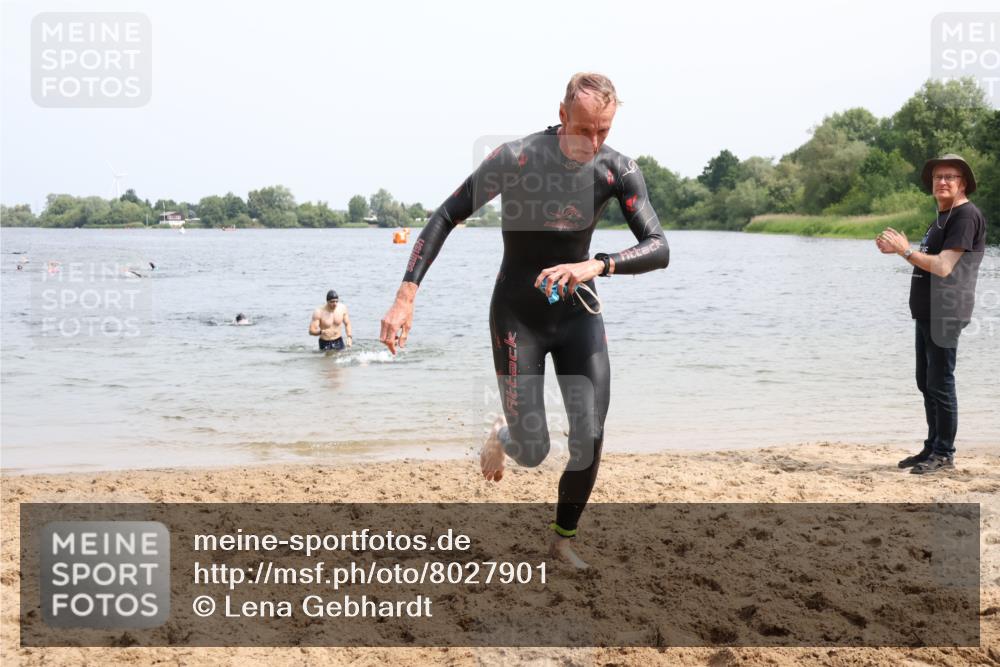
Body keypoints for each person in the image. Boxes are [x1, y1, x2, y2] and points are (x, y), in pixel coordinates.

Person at [379, 73, 669, 568]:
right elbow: (447, 214)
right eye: (583, 129)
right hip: (518, 316)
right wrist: (406, 295)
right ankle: (505, 434)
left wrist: (596, 264)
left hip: (578, 315)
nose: (593, 142)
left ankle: (561, 540)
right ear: (561, 114)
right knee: (533, 449)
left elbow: (659, 247)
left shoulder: (617, 169)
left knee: (591, 434)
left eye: (603, 130)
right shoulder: (517, 158)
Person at [876, 154, 987, 475]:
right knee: (926, 382)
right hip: (927, 311)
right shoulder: (942, 216)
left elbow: (942, 266)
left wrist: (906, 250)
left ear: (963, 183)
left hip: (947, 311)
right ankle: (932, 446)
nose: (942, 182)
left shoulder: (965, 216)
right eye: (938, 177)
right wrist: (899, 251)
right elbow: (929, 259)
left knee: (940, 383)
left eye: (950, 177)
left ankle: (944, 454)